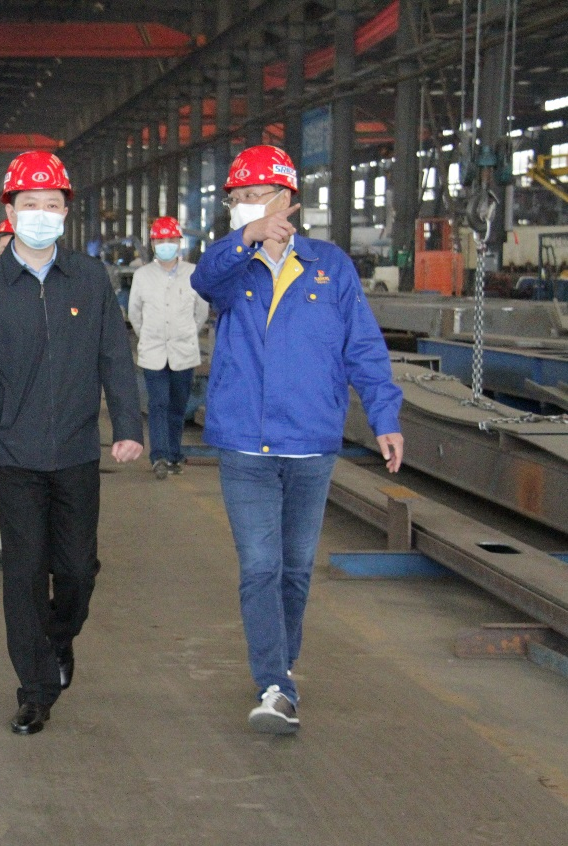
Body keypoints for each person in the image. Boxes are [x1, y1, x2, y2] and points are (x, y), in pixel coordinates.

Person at [190, 145, 404, 735]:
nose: (243, 205)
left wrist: (385, 416)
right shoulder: (234, 269)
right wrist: (247, 236)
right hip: (246, 445)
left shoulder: (330, 267)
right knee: (261, 565)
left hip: (311, 443)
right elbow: (204, 279)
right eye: (236, 199)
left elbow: (363, 346)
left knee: (294, 569)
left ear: (286, 199)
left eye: (254, 195)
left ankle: (280, 666)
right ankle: (275, 685)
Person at [0, 150, 143, 735]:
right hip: (14, 456)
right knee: (24, 573)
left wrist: (128, 425)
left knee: (78, 570)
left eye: (52, 204)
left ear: (65, 212)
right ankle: (34, 690)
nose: (41, 213)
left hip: (78, 452)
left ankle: (59, 638)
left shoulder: (89, 278)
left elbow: (114, 354)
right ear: (10, 212)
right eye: (29, 203)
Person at [127, 216, 208, 480]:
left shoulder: (193, 273)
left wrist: (185, 333)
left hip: (184, 352)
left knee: (177, 407)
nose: (165, 244)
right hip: (153, 352)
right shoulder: (142, 275)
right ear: (153, 243)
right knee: (159, 403)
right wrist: (150, 336)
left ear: (179, 242)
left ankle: (174, 454)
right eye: (160, 240)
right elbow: (135, 313)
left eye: (170, 239)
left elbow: (201, 312)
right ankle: (159, 456)